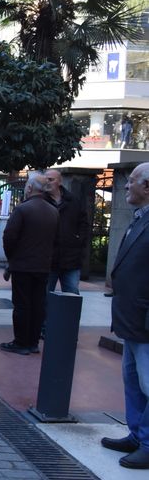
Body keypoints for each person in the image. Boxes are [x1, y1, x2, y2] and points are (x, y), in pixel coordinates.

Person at [101, 162, 149, 469]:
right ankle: (138, 435)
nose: (125, 186)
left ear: (147, 186)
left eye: (131, 181)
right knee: (133, 381)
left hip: (144, 321)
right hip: (132, 320)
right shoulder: (140, 218)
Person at [1, 174, 59, 355]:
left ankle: (21, 342)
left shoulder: (22, 209)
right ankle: (33, 342)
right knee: (37, 304)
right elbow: (56, 240)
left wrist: (12, 259)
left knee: (22, 304)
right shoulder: (53, 211)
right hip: (43, 266)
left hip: (23, 265)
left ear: (30, 188)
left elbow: (9, 237)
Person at [44, 169, 90, 295]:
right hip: (48, 260)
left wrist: (79, 240)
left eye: (50, 179)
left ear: (59, 182)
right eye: (45, 179)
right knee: (44, 296)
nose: (47, 182)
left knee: (72, 295)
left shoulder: (73, 201)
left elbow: (84, 223)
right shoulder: (41, 201)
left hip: (71, 258)